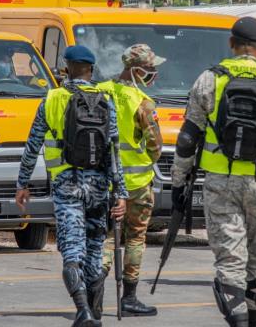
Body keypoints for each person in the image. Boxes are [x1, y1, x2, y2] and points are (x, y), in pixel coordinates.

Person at [171, 17, 256, 327]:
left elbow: (187, 138)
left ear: (231, 44)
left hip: (221, 183)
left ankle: (240, 322)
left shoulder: (209, 79)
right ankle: (255, 320)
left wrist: (179, 183)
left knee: (230, 260)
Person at [16, 45, 128, 327]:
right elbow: (115, 151)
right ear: (91, 70)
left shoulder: (52, 99)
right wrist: (121, 193)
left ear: (66, 68)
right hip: (100, 186)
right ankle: (94, 306)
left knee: (71, 251)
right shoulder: (106, 100)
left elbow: (32, 146)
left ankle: (84, 311)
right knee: (93, 248)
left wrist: (23, 183)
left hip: (67, 186)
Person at [96, 44, 165, 317]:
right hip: (136, 185)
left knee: (104, 239)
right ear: (136, 69)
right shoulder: (142, 102)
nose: (154, 74)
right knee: (135, 238)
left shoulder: (99, 91)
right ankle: (129, 298)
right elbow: (155, 147)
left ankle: (94, 294)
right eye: (150, 69)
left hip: (103, 182)